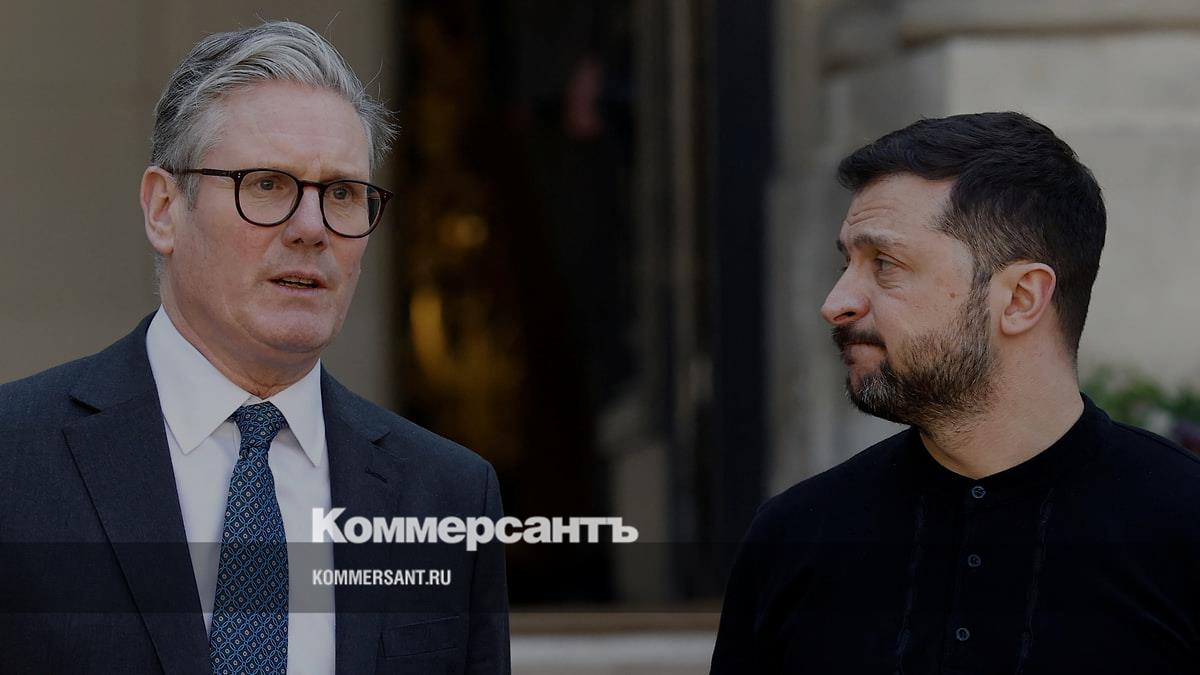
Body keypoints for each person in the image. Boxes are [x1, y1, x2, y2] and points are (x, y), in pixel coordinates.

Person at [0, 21, 509, 674]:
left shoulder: (448, 494)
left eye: (343, 193)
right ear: (163, 209)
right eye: (267, 184)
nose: (311, 228)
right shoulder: (15, 460)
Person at [710, 112, 1200, 674]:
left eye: (885, 264)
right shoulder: (795, 538)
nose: (836, 302)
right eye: (847, 263)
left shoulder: (1182, 527)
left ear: (1020, 299)